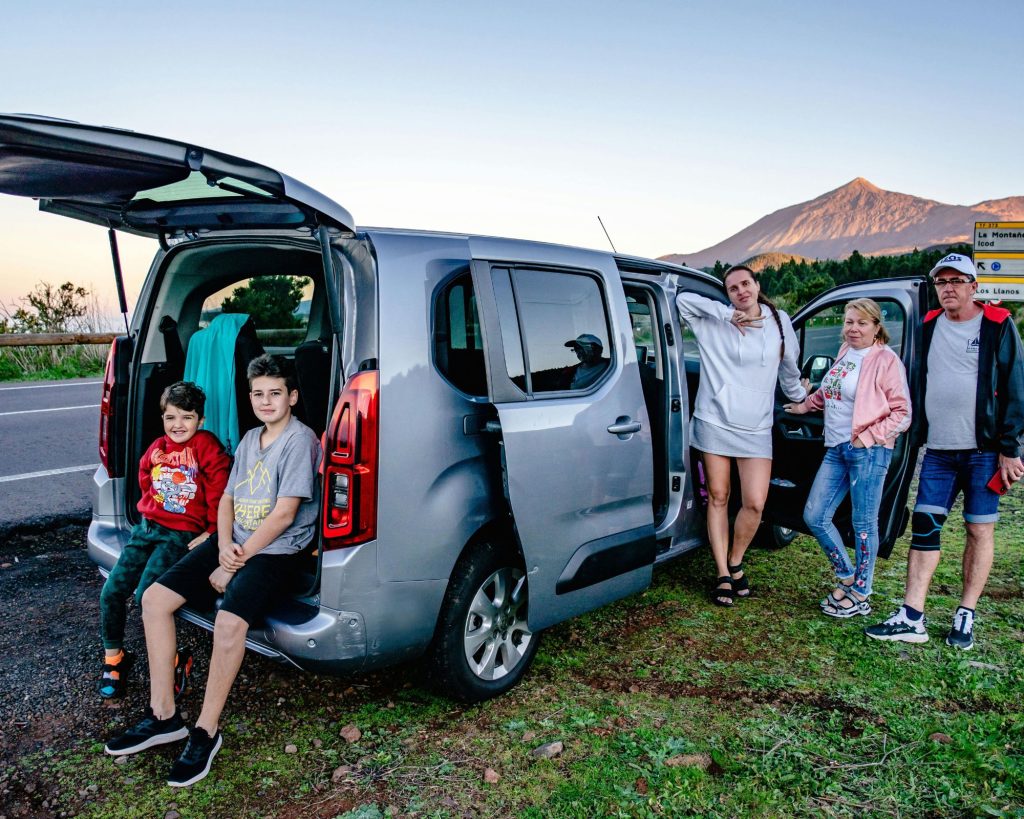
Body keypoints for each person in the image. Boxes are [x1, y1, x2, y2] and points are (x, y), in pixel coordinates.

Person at [104, 354, 323, 787]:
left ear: (293, 397)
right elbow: (226, 499)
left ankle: (205, 730)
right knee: (154, 600)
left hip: (276, 550)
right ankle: (164, 715)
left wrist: (234, 561)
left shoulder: (301, 440)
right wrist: (222, 545)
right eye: (258, 394)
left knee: (228, 622)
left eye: (275, 393)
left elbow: (284, 514)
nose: (265, 401)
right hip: (233, 541)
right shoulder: (249, 439)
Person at [865, 253, 1024, 649]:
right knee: (925, 524)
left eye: (956, 281)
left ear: (974, 286)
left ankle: (965, 613)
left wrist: (1010, 448)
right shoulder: (929, 325)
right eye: (942, 281)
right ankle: (912, 616)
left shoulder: (998, 324)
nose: (948, 288)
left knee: (978, 529)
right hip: (937, 451)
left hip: (984, 450)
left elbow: (1016, 387)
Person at [676, 265, 806, 606]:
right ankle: (722, 572)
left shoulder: (780, 322)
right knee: (718, 496)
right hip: (714, 420)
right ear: (728, 295)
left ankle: (735, 560)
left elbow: (789, 370)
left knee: (755, 502)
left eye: (746, 283)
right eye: (732, 288)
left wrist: (803, 399)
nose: (741, 291)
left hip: (757, 427)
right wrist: (726, 314)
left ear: (757, 285)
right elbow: (682, 300)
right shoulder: (714, 322)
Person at [97, 382, 229, 699]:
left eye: (187, 417)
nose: (177, 425)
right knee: (112, 591)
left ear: (201, 419)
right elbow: (145, 477)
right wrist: (151, 509)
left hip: (179, 534)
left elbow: (220, 492)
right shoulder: (157, 447)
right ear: (163, 418)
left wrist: (211, 532)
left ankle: (174, 660)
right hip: (147, 529)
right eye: (171, 417)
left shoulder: (206, 447)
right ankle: (115, 658)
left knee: (147, 596)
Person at [784, 299, 910, 617]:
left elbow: (902, 413)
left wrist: (867, 437)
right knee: (814, 515)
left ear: (876, 327)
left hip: (868, 451)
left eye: (862, 323)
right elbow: (830, 391)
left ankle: (862, 593)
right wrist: (804, 405)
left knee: (864, 524)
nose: (853, 328)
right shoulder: (845, 352)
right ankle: (847, 576)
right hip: (837, 448)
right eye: (849, 321)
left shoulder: (886, 360)